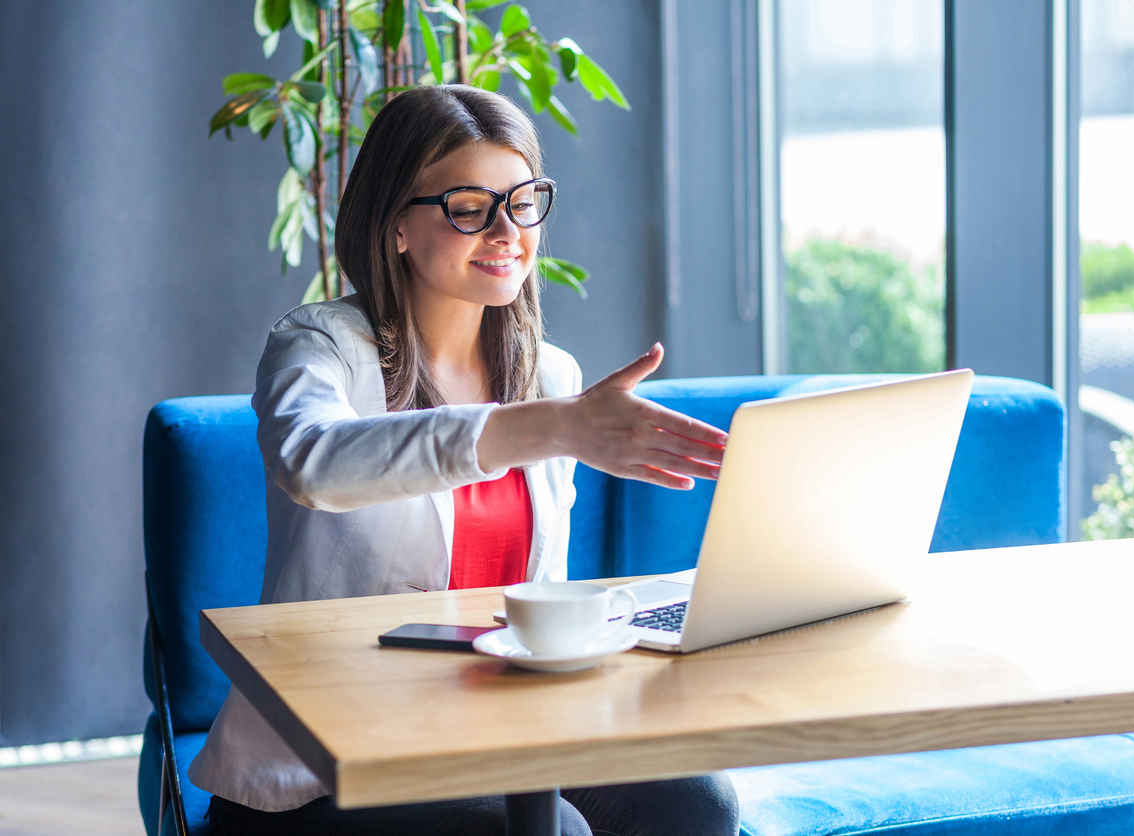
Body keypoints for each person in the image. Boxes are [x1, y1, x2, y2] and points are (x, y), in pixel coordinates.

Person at [188, 85, 740, 836]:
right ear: (396, 229)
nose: (507, 231)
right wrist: (542, 429)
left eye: (523, 201)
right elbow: (312, 464)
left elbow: (535, 602)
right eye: (469, 207)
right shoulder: (319, 347)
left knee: (695, 801)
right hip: (325, 770)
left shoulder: (551, 377)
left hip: (488, 733)